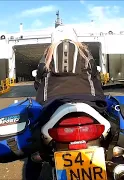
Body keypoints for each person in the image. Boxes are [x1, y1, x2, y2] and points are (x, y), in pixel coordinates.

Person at [26, 25, 107, 180]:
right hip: (91, 104)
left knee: (33, 151)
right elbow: (96, 79)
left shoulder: (47, 57)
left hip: (53, 107)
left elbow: (38, 84)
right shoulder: (86, 54)